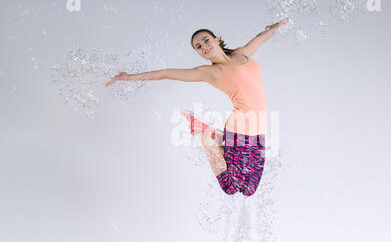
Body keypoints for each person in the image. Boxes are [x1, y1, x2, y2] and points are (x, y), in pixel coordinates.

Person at [105, 18, 288, 196]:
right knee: (231, 187)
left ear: (216, 40)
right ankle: (205, 133)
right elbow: (165, 74)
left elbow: (261, 38)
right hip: (240, 128)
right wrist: (128, 77)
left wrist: (275, 27)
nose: (204, 47)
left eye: (206, 40)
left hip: (259, 129)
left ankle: (215, 136)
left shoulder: (241, 54)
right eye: (199, 47)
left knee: (249, 190)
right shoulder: (210, 72)